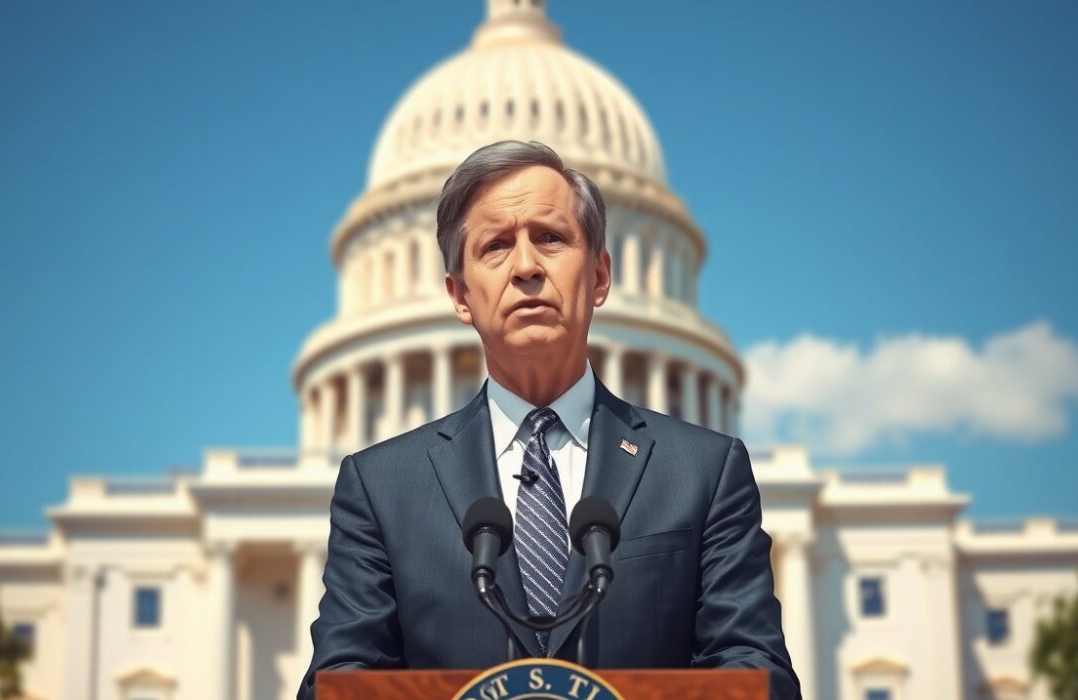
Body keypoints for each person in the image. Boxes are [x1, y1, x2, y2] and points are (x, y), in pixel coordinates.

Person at [297, 140, 799, 699]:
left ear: (600, 275)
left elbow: (759, 674)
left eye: (551, 238)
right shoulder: (381, 488)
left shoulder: (704, 471)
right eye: (496, 246)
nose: (526, 267)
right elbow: (339, 683)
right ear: (460, 295)